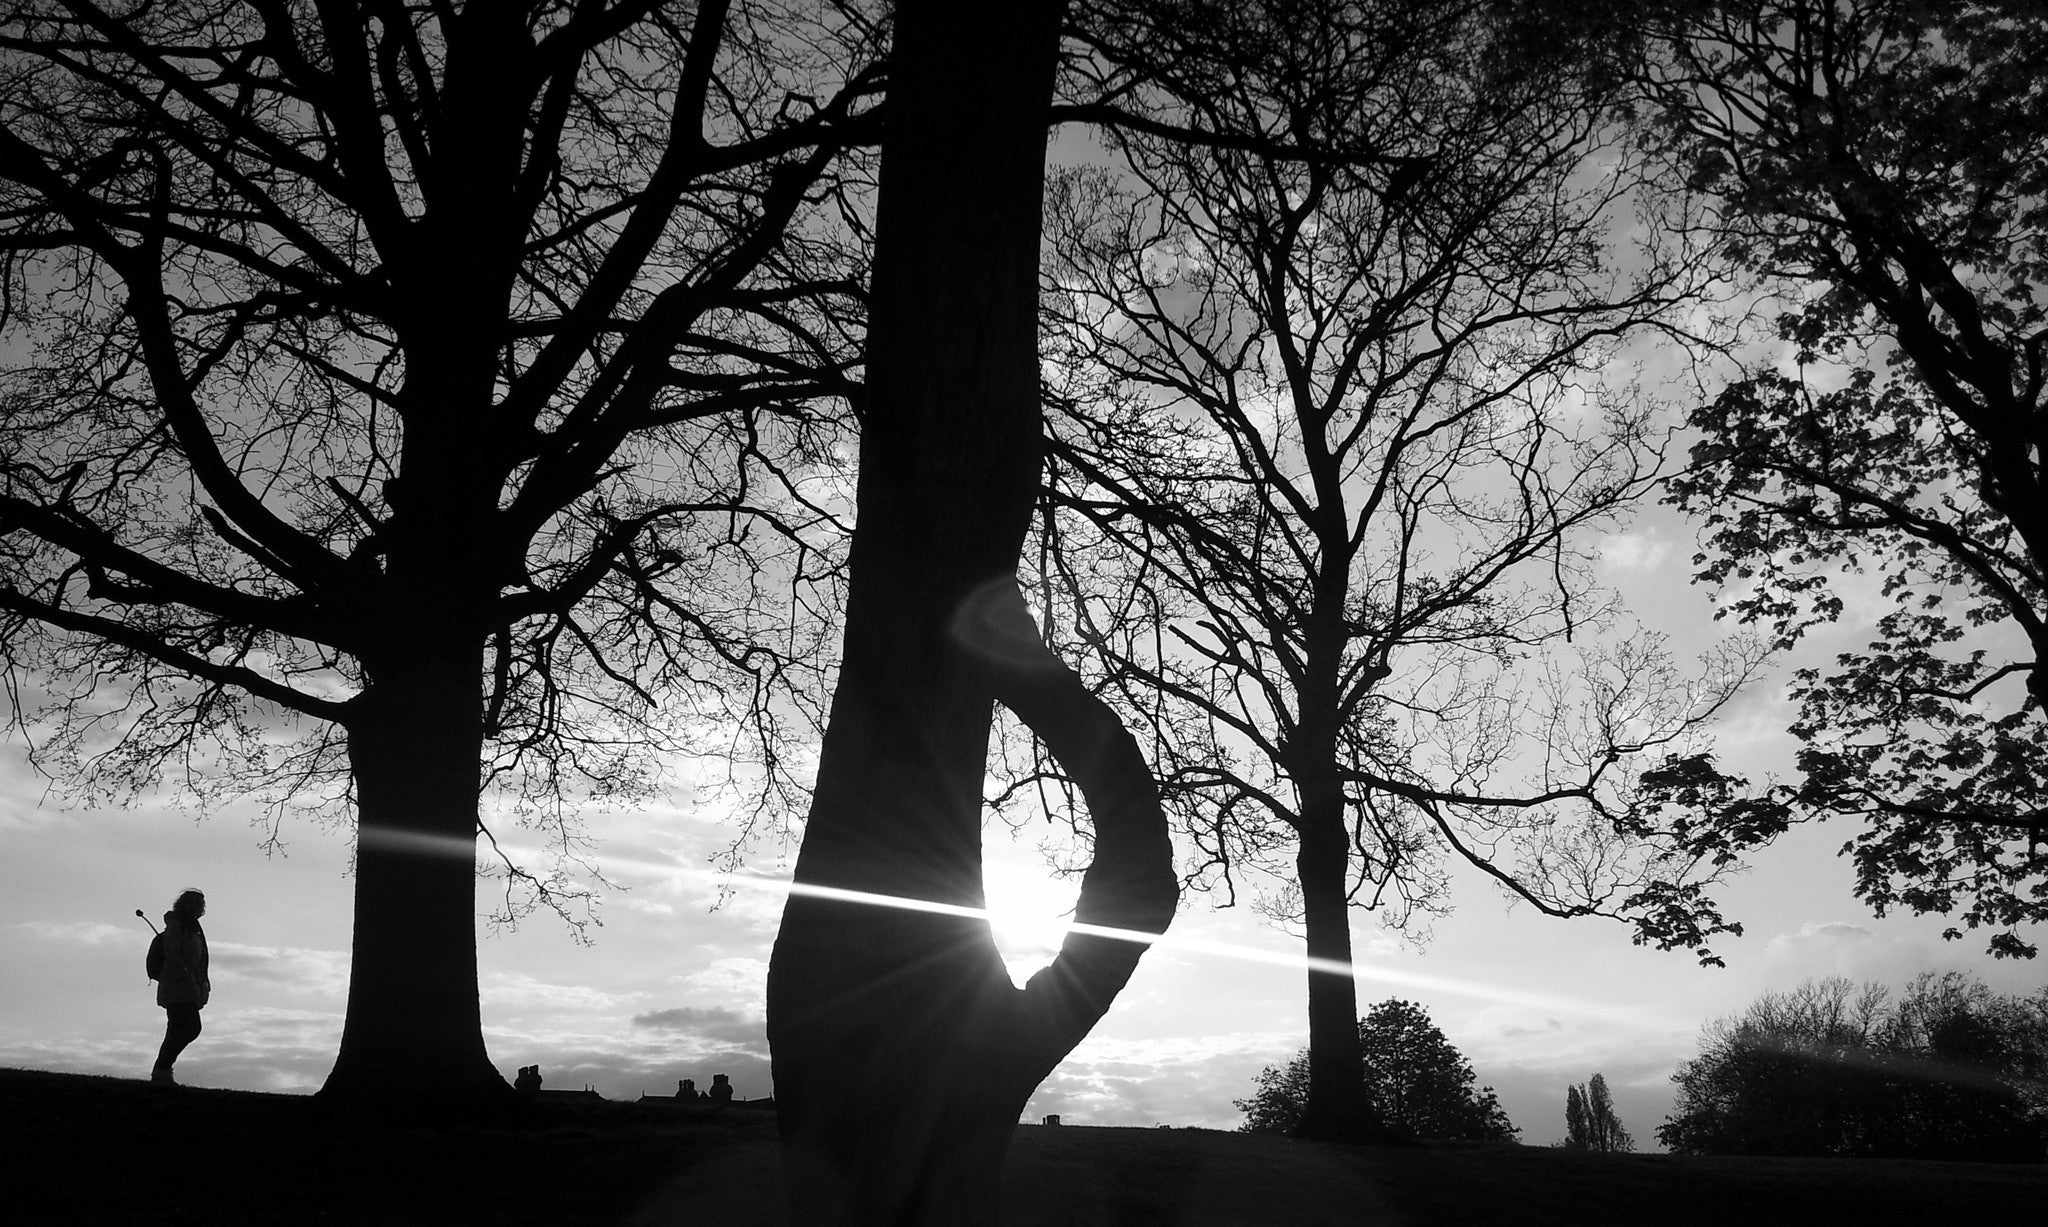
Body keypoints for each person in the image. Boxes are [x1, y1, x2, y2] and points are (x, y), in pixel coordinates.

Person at [151, 889, 210, 1086]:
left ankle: (162, 1072)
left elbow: (198, 960)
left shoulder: (193, 928)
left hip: (187, 987)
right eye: (196, 904)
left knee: (177, 1030)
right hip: (178, 987)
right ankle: (162, 1069)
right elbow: (175, 955)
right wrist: (188, 978)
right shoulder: (178, 926)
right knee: (190, 1028)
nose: (200, 908)